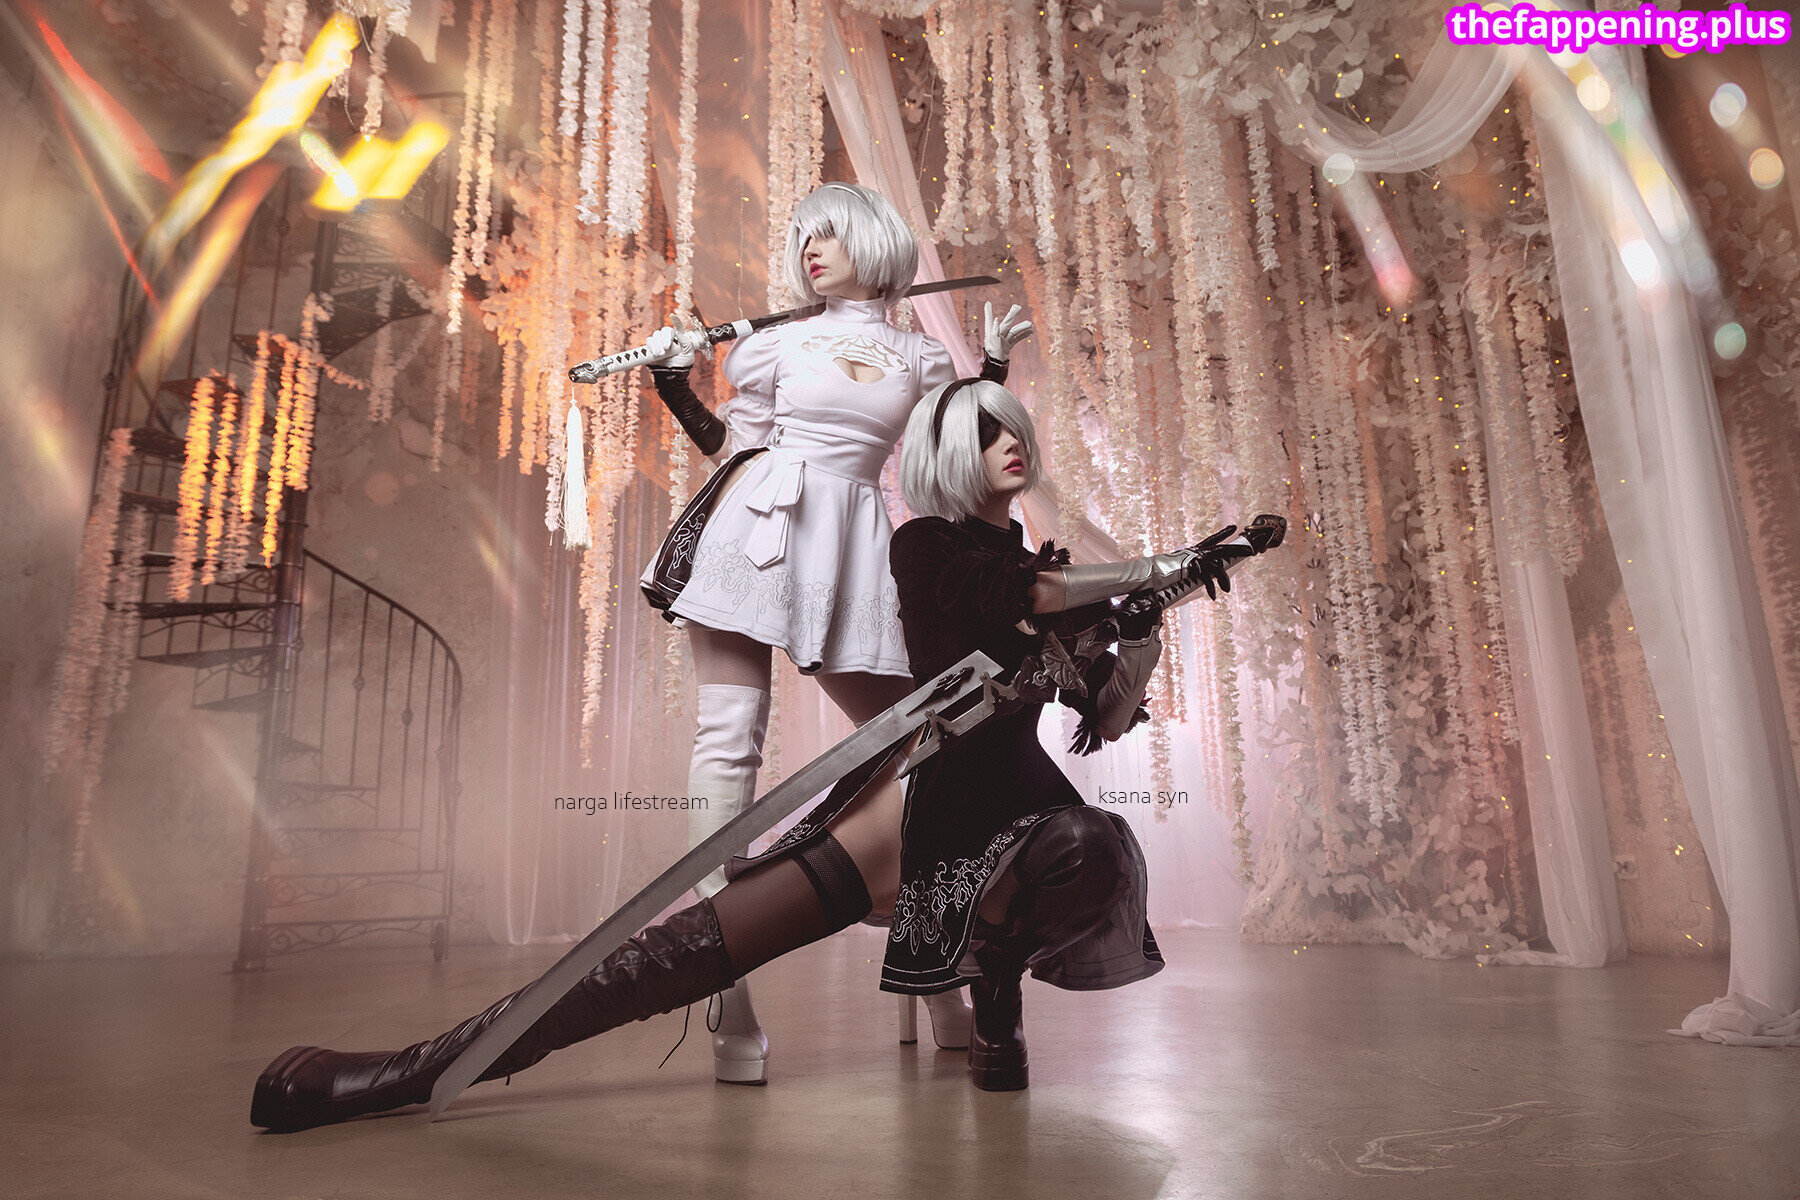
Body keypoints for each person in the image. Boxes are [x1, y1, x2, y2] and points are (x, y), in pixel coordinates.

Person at [249, 381, 1279, 1130]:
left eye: (1014, 429)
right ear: (943, 451)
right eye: (982, 430)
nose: (1009, 443)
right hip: (912, 813)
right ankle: (405, 1073)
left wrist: (1146, 629)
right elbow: (1024, 600)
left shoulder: (1047, 572)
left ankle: (995, 983)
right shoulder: (929, 548)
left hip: (1020, 818)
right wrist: (1161, 564)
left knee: (1096, 849)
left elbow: (1104, 711)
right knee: (670, 957)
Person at [632, 181, 1031, 1082]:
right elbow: (730, 448)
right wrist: (671, 380)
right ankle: (729, 1000)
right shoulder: (775, 344)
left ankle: (933, 972)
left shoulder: (920, 359)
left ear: (874, 242)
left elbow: (949, 459)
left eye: (830, 234)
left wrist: (991, 373)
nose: (811, 249)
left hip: (850, 549)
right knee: (727, 741)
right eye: (804, 237)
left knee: (918, 747)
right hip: (750, 531)